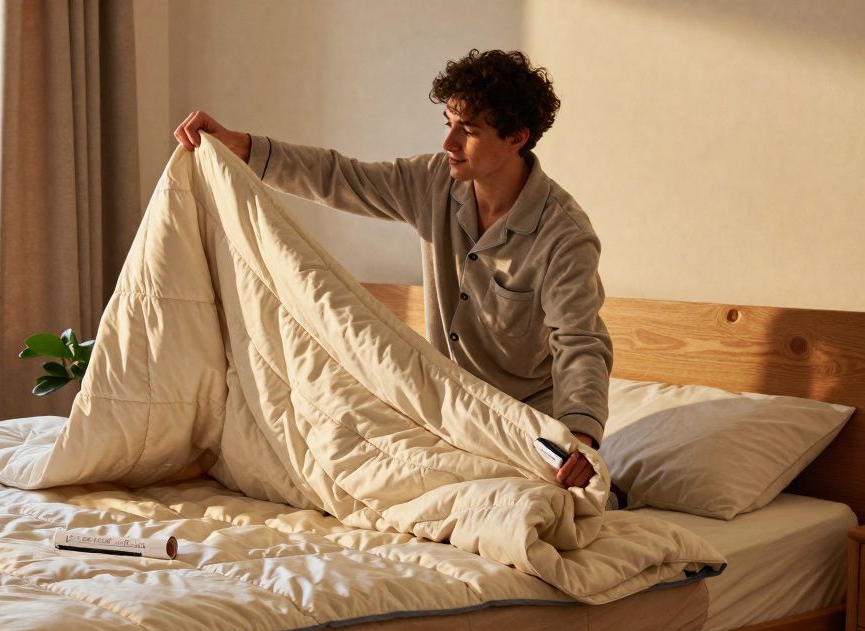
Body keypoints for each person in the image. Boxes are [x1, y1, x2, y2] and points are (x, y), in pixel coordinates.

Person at [174, 49, 613, 495]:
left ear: (517, 137)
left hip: (524, 428)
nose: (449, 143)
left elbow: (579, 343)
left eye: (469, 131)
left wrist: (579, 439)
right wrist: (242, 147)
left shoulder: (564, 235)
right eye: (449, 123)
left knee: (518, 508)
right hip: (444, 416)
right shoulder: (434, 182)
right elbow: (341, 177)